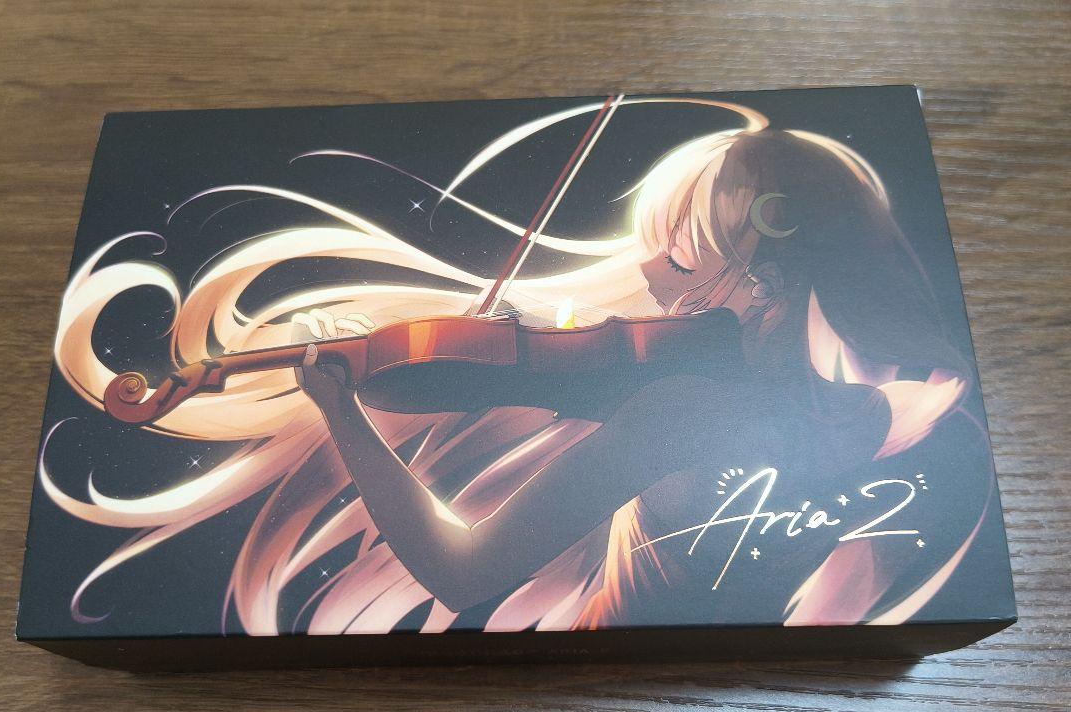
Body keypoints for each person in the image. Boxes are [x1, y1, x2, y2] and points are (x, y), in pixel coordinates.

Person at [48, 103, 971, 634]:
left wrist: (341, 413)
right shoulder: (873, 413)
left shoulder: (682, 411)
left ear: (763, 285)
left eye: (680, 257)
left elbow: (462, 573)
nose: (649, 277)